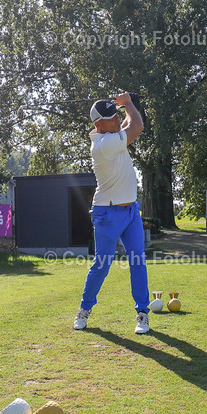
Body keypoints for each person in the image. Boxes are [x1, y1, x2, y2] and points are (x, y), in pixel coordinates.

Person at [73, 92, 150, 334]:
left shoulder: (113, 135)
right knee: (102, 264)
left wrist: (127, 105)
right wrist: (127, 103)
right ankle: (84, 310)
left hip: (130, 211)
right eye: (111, 118)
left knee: (138, 261)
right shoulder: (102, 145)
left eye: (117, 115)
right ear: (99, 125)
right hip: (107, 213)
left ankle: (142, 314)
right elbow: (136, 125)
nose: (117, 120)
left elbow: (128, 124)